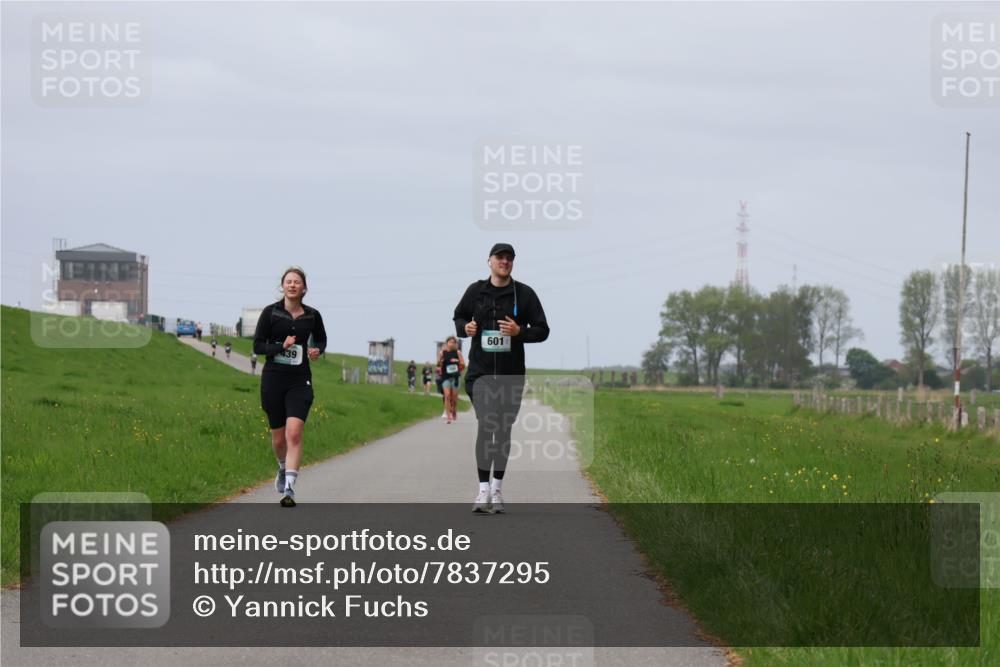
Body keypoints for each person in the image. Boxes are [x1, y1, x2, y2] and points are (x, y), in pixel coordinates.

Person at [454, 243, 548, 514]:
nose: (504, 262)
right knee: (487, 424)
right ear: (489, 261)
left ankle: (497, 489)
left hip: (510, 375)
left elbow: (543, 330)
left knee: (503, 430)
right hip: (481, 374)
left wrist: (519, 331)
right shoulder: (476, 291)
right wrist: (465, 328)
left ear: (512, 263)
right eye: (500, 258)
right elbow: (459, 317)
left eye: (509, 259)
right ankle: (482, 491)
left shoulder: (524, 294)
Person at [253, 267, 327, 507]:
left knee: (294, 432)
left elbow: (321, 339)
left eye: (297, 282)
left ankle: (290, 489)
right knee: (278, 439)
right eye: (288, 281)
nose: (292, 285)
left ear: (304, 288)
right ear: (282, 286)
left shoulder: (312, 315)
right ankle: (283, 469)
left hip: (299, 380)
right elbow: (257, 347)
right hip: (273, 379)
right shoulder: (270, 313)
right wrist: (280, 347)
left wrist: (317, 350)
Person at [437, 337, 465, 423]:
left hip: (455, 377)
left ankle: (454, 409)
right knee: (447, 395)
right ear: (446, 343)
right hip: (445, 377)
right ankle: (448, 416)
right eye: (450, 342)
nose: (452, 344)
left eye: (454, 342)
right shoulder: (442, 352)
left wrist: (457, 361)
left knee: (454, 398)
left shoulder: (458, 352)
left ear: (456, 344)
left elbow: (463, 365)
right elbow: (438, 364)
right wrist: (440, 361)